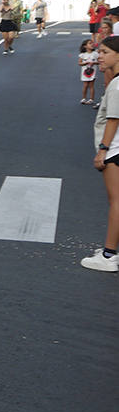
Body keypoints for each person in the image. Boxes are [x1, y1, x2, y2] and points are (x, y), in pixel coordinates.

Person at [82, 36, 119, 271]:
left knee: (116, 201)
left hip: (115, 149)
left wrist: (102, 151)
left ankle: (108, 255)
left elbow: (114, 119)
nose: (100, 57)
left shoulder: (117, 85)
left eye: (105, 52)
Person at [79, 39, 99, 106]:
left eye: (92, 43)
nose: (92, 44)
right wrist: (85, 63)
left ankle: (91, 99)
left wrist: (94, 62)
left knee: (91, 85)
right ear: (85, 46)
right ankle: (84, 98)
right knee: (85, 85)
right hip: (85, 72)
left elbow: (99, 61)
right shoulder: (82, 55)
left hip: (92, 72)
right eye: (90, 43)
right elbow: (79, 63)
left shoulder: (95, 54)